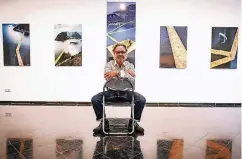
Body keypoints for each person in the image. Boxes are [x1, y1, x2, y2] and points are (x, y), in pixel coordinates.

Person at [91, 43, 146, 134]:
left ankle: (133, 122)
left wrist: (116, 72)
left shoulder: (130, 65)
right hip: (111, 92)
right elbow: (108, 77)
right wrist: (125, 73)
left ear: (126, 54)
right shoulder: (108, 65)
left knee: (141, 99)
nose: (120, 54)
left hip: (126, 92)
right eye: (118, 52)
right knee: (95, 99)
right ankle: (103, 122)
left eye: (122, 52)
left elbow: (132, 80)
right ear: (114, 53)